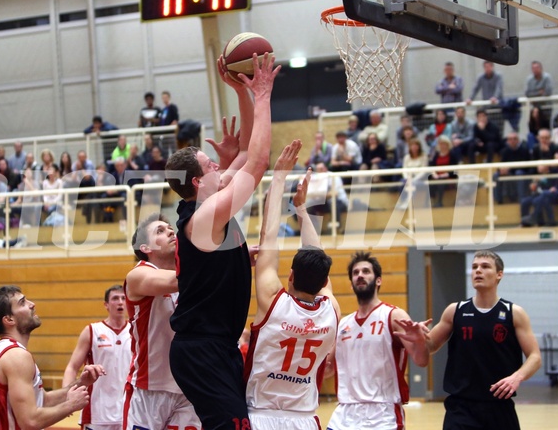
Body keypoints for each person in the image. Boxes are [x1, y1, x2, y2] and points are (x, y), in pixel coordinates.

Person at [165, 52, 279, 430]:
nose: (218, 163)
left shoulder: (204, 203)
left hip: (217, 346)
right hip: (202, 350)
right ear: (198, 181)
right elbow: (258, 162)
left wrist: (239, 90)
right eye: (210, 163)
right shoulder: (204, 216)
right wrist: (262, 97)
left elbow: (246, 153)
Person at [246, 141, 340, 429]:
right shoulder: (331, 310)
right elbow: (317, 255)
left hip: (262, 415)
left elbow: (268, 237)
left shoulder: (274, 300)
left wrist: (278, 178)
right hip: (305, 418)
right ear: (324, 282)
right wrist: (302, 210)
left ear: (289, 275)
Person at [423, 250, 541, 430]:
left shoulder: (514, 313)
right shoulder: (455, 311)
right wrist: (416, 335)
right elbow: (429, 346)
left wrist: (517, 377)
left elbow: (535, 357)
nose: (478, 271)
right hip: (461, 408)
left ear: (499, 274)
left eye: (485, 267)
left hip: (499, 407)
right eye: (474, 267)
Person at [326, 251, 429, 430]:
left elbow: (421, 360)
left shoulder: (393, 315)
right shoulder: (343, 324)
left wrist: (419, 341)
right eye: (356, 273)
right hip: (345, 413)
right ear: (351, 284)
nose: (360, 275)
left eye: (366, 271)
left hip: (382, 413)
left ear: (378, 280)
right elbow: (328, 368)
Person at [0, 285, 105, 429]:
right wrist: (71, 405)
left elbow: (42, 400)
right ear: (9, 319)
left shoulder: (2, 350)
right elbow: (30, 421)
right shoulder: (16, 356)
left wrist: (81, 383)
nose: (32, 304)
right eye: (23, 302)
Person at [123, 213, 201, 430]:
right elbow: (179, 280)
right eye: (159, 231)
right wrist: (226, 262)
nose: (169, 231)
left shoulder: (191, 279)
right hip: (149, 389)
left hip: (188, 388)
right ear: (145, 247)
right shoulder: (138, 275)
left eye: (170, 228)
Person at [62, 286, 130, 430]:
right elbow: (72, 367)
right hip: (97, 413)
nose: (120, 302)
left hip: (129, 411)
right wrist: (66, 396)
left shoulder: (135, 330)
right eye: (115, 298)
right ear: (106, 304)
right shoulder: (92, 330)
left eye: (123, 298)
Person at [494, 133, 530, 204]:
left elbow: (527, 167)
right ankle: (498, 200)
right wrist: (501, 169)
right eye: (510, 139)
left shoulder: (524, 150)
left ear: (518, 140)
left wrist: (509, 168)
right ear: (507, 141)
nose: (512, 141)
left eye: (514, 139)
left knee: (519, 173)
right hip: (509, 173)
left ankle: (521, 200)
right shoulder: (504, 151)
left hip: (522, 173)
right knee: (496, 175)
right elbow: (501, 164)